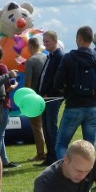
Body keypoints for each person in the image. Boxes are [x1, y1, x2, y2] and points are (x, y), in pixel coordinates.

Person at [53, 26, 96, 160]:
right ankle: (87, 176)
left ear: (79, 38)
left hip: (73, 105)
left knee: (61, 144)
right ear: (91, 40)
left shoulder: (69, 58)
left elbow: (57, 83)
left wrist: (68, 91)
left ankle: (66, 175)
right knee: (89, 147)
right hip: (92, 106)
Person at [36, 30, 64, 167]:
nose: (44, 44)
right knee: (46, 127)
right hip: (45, 97)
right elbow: (45, 76)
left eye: (47, 41)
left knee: (51, 127)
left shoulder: (59, 56)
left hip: (53, 97)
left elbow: (58, 79)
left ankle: (55, 157)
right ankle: (50, 156)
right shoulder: (50, 56)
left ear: (55, 41)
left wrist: (48, 92)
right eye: (44, 41)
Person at [0, 45, 18, 169]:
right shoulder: (2, 67)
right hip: (3, 104)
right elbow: (7, 88)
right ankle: (0, 161)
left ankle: (4, 160)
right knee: (0, 135)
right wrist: (15, 84)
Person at [23, 36, 47, 162]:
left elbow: (28, 81)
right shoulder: (46, 58)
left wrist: (25, 97)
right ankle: (50, 150)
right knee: (47, 125)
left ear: (30, 47)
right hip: (47, 96)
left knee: (37, 126)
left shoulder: (30, 61)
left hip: (34, 97)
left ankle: (40, 153)